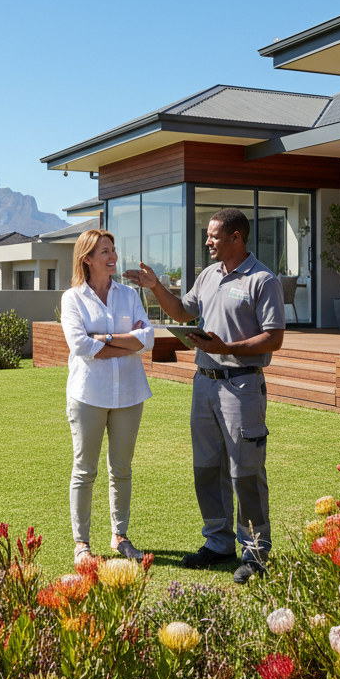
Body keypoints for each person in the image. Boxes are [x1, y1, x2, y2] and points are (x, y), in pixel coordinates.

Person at [125, 207, 284, 584]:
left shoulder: (263, 280)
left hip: (242, 384)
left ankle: (256, 551)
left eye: (214, 235)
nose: (208, 241)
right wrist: (155, 287)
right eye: (208, 235)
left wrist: (228, 347)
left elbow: (273, 337)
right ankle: (218, 542)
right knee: (206, 468)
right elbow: (182, 312)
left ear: (235, 237)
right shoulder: (209, 275)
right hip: (203, 384)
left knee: (245, 470)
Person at [60, 229, 155, 565]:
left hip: (130, 393)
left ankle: (120, 536)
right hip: (88, 394)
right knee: (85, 471)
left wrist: (104, 338)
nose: (113, 256)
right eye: (105, 252)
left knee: (122, 469)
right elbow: (80, 346)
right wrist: (124, 343)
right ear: (87, 258)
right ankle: (81, 543)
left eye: (113, 250)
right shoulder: (72, 299)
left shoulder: (129, 295)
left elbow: (148, 339)